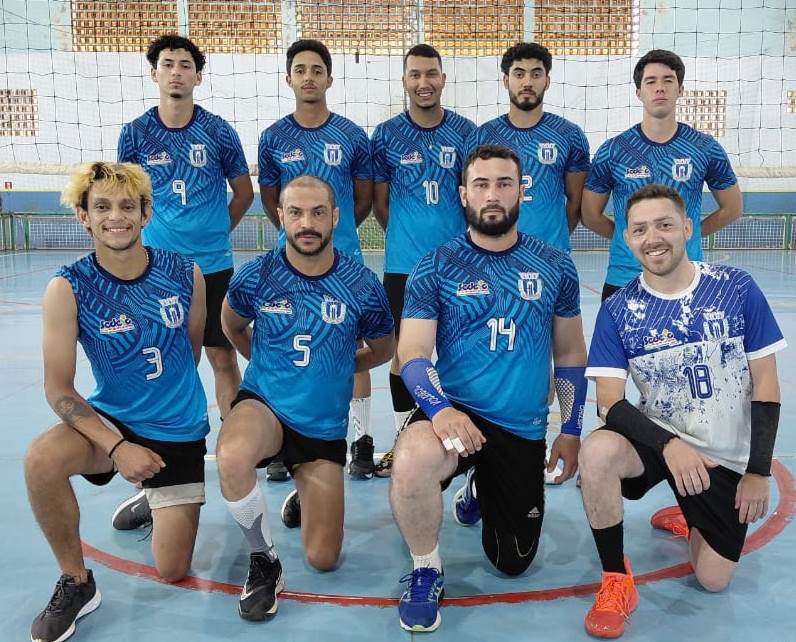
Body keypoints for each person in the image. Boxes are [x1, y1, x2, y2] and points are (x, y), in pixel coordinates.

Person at [389, 145, 588, 632]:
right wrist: (437, 411)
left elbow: (569, 355)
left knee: (512, 562)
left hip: (521, 425)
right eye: (481, 185)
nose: (492, 194)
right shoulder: (436, 265)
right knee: (412, 458)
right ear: (463, 195)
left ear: (521, 191)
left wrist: (572, 428)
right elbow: (410, 355)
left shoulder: (554, 265)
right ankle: (425, 570)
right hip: (457, 413)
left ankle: (480, 484)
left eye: (504, 184)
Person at [580, 183, 785, 638]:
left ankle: (688, 513)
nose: (653, 237)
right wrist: (669, 446)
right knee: (597, 453)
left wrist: (758, 471)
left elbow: (767, 384)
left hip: (724, 458)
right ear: (627, 240)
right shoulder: (618, 309)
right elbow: (609, 402)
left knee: (713, 581)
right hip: (660, 443)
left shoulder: (735, 288)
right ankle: (616, 579)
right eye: (640, 229)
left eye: (665, 224)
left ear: (687, 228)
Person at [25, 162, 210, 642]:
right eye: (102, 207)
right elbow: (59, 390)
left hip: (178, 429)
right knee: (41, 460)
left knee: (171, 570)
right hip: (114, 421)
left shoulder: (184, 274)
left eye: (127, 206)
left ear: (146, 212)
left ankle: (154, 496)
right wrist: (117, 447)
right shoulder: (67, 287)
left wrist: (163, 408)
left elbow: (189, 353)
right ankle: (77, 581)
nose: (116, 217)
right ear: (83, 217)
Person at [216, 175, 395, 621]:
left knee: (323, 558)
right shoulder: (257, 274)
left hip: (321, 429)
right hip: (266, 406)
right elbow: (232, 326)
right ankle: (264, 560)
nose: (307, 223)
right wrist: (262, 364)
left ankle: (303, 493)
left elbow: (385, 348)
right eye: (295, 212)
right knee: (232, 455)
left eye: (318, 213)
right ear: (280, 216)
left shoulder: (361, 284)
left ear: (336, 217)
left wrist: (336, 366)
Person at [115, 34, 253, 526]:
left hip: (213, 266)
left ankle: (240, 456)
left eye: (185, 64)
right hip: (157, 275)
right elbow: (125, 197)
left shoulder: (217, 131)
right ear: (154, 73)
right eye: (167, 64)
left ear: (198, 74)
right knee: (167, 370)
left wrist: (215, 230)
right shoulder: (134, 134)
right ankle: (160, 480)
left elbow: (242, 191)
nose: (176, 71)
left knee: (222, 359)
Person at [258, 39, 376, 480]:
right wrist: (300, 239)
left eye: (316, 69)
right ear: (289, 78)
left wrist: (330, 238)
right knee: (284, 344)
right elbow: (271, 201)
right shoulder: (272, 138)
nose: (308, 76)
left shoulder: (351, 136)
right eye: (300, 69)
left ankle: (361, 441)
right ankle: (280, 439)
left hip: (343, 259)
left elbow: (362, 199)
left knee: (353, 346)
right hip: (289, 265)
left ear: (329, 77)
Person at [370, 43, 476, 477]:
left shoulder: (467, 133)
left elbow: (474, 197)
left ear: (443, 79)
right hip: (404, 266)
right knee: (402, 355)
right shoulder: (387, 135)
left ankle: (466, 440)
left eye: (431, 73)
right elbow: (380, 204)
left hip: (459, 266)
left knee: (461, 352)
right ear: (404, 81)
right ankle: (402, 437)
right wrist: (411, 242)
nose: (423, 82)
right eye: (415, 74)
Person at [581, 49, 742, 301]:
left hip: (687, 278)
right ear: (638, 92)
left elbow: (732, 208)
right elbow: (590, 215)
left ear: (680, 90)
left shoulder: (704, 148)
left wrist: (686, 233)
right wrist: (634, 237)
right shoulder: (613, 150)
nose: (660, 88)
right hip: (625, 278)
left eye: (668, 80)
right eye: (651, 81)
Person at [466, 42, 590, 251]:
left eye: (536, 74)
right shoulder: (481, 136)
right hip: (494, 255)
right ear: (506, 81)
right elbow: (472, 199)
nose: (527, 82)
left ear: (547, 81)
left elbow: (575, 202)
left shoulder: (569, 134)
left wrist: (553, 240)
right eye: (519, 74)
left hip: (550, 255)